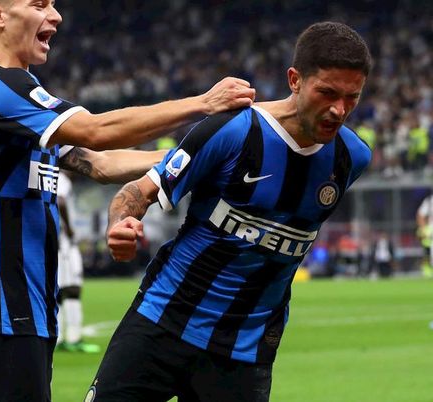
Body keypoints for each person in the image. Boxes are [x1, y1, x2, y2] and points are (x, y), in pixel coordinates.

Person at [0, 1, 255, 400]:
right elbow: (97, 131)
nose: (56, 15)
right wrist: (202, 104)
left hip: (24, 305)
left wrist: (195, 157)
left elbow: (99, 163)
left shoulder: (17, 97)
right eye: (39, 4)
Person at [93, 21, 372, 402]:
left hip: (244, 352)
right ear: (294, 80)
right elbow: (137, 191)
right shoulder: (233, 131)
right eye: (327, 92)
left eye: (351, 97)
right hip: (161, 323)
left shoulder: (352, 158)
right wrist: (120, 223)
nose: (338, 110)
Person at [55, 171, 99, 353]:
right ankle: (73, 338)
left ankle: (58, 337)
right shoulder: (63, 179)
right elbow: (60, 201)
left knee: (58, 290)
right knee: (72, 288)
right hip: (65, 244)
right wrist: (69, 229)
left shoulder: (53, 176)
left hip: (57, 242)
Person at [416, 194, 433, 278]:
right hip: (431, 231)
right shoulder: (430, 200)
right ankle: (427, 269)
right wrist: (424, 229)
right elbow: (420, 215)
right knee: (428, 251)